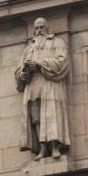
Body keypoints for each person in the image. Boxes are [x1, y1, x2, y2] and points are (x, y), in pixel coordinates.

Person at [14, 18, 71, 161]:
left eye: (41, 27)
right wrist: (22, 74)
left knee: (51, 114)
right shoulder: (29, 49)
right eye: (37, 28)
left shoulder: (57, 43)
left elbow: (62, 61)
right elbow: (19, 69)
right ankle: (42, 148)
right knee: (36, 118)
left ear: (47, 29)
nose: (39, 31)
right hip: (33, 85)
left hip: (49, 84)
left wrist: (40, 64)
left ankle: (55, 147)